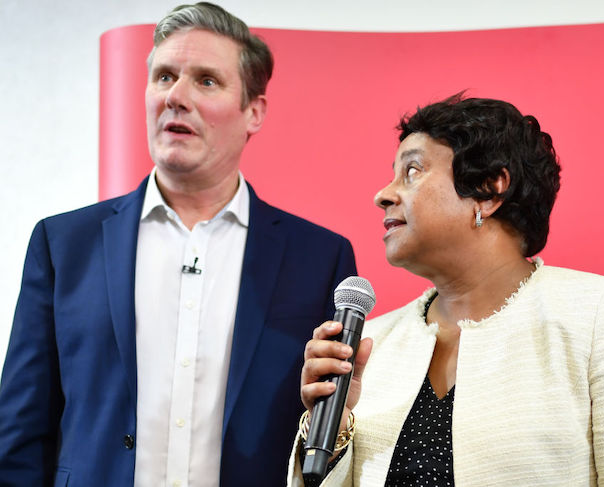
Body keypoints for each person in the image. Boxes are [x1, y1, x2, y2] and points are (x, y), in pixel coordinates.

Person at [0, 3, 356, 486]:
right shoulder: (64, 245)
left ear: (253, 112)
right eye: (164, 77)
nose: (176, 96)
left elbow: (327, 432)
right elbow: (21, 431)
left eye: (206, 81)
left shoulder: (319, 258)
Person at [289, 95, 604, 485]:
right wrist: (333, 432)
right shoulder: (370, 345)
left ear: (489, 189)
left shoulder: (598, 315)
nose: (383, 195)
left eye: (412, 171)